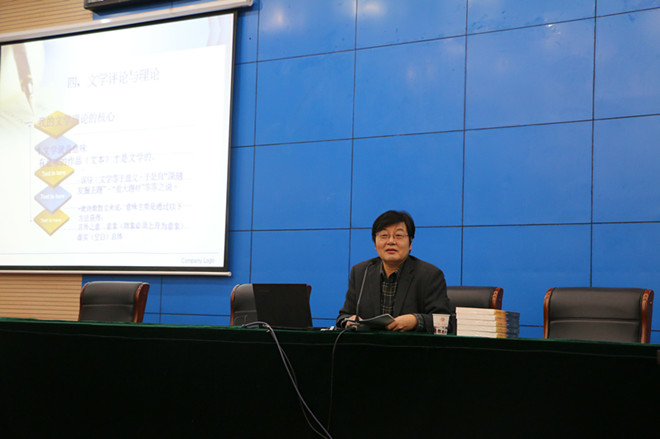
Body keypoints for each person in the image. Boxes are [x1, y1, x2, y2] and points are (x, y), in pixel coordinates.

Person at [337, 210, 454, 333]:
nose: (391, 241)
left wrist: (415, 320)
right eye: (384, 235)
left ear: (410, 243)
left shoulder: (430, 275)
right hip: (369, 344)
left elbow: (445, 322)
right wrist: (348, 320)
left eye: (398, 235)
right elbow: (343, 316)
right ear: (375, 244)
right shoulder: (361, 272)